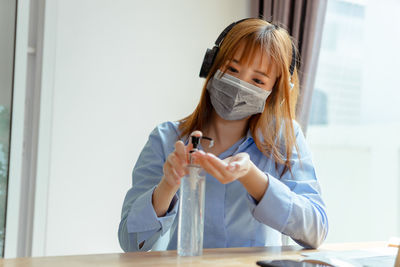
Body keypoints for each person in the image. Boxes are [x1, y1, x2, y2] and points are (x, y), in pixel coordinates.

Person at [118, 18, 328, 252]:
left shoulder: (285, 138)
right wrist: (168, 184)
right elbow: (131, 244)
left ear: (275, 90)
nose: (239, 84)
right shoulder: (166, 138)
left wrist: (252, 176)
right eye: (232, 69)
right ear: (211, 66)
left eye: (257, 80)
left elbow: (316, 231)